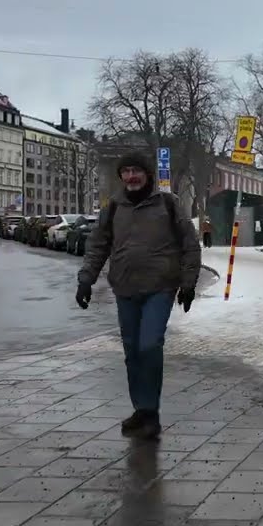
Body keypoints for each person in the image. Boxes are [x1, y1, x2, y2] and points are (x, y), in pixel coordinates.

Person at [76, 151, 201, 440]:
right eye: (126, 171)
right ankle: (142, 410)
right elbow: (97, 245)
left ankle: (151, 412)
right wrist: (86, 281)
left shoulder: (167, 204)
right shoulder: (114, 207)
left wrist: (189, 282)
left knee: (149, 345)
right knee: (132, 351)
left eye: (137, 171)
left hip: (160, 287)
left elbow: (190, 244)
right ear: (121, 176)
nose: (131, 176)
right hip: (125, 288)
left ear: (147, 174)